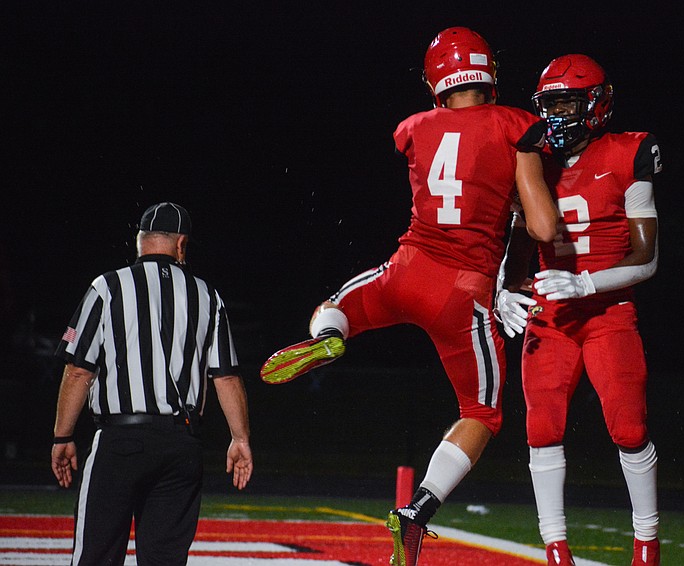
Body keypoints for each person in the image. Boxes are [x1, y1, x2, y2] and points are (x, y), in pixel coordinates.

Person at [261, 27, 558, 566]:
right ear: (488, 72)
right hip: (462, 294)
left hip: (407, 268)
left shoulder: (415, 129)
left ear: (435, 80)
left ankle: (329, 340)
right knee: (482, 412)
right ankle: (417, 511)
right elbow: (541, 226)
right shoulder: (516, 125)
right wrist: (522, 197)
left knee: (334, 308)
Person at [495, 54, 663, 566]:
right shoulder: (531, 159)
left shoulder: (628, 152)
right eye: (550, 105)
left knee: (629, 429)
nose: (558, 115)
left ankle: (647, 545)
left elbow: (648, 258)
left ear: (597, 104)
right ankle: (555, 549)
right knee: (541, 427)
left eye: (567, 102)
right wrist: (504, 287)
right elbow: (520, 239)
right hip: (550, 313)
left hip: (608, 311)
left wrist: (588, 281)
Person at [51, 202, 253, 566]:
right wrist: (240, 439)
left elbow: (79, 370)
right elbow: (226, 376)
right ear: (181, 245)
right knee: (165, 560)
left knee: (96, 556)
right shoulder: (207, 295)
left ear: (140, 241)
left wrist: (62, 436)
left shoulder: (108, 286)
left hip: (120, 442)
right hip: (181, 445)